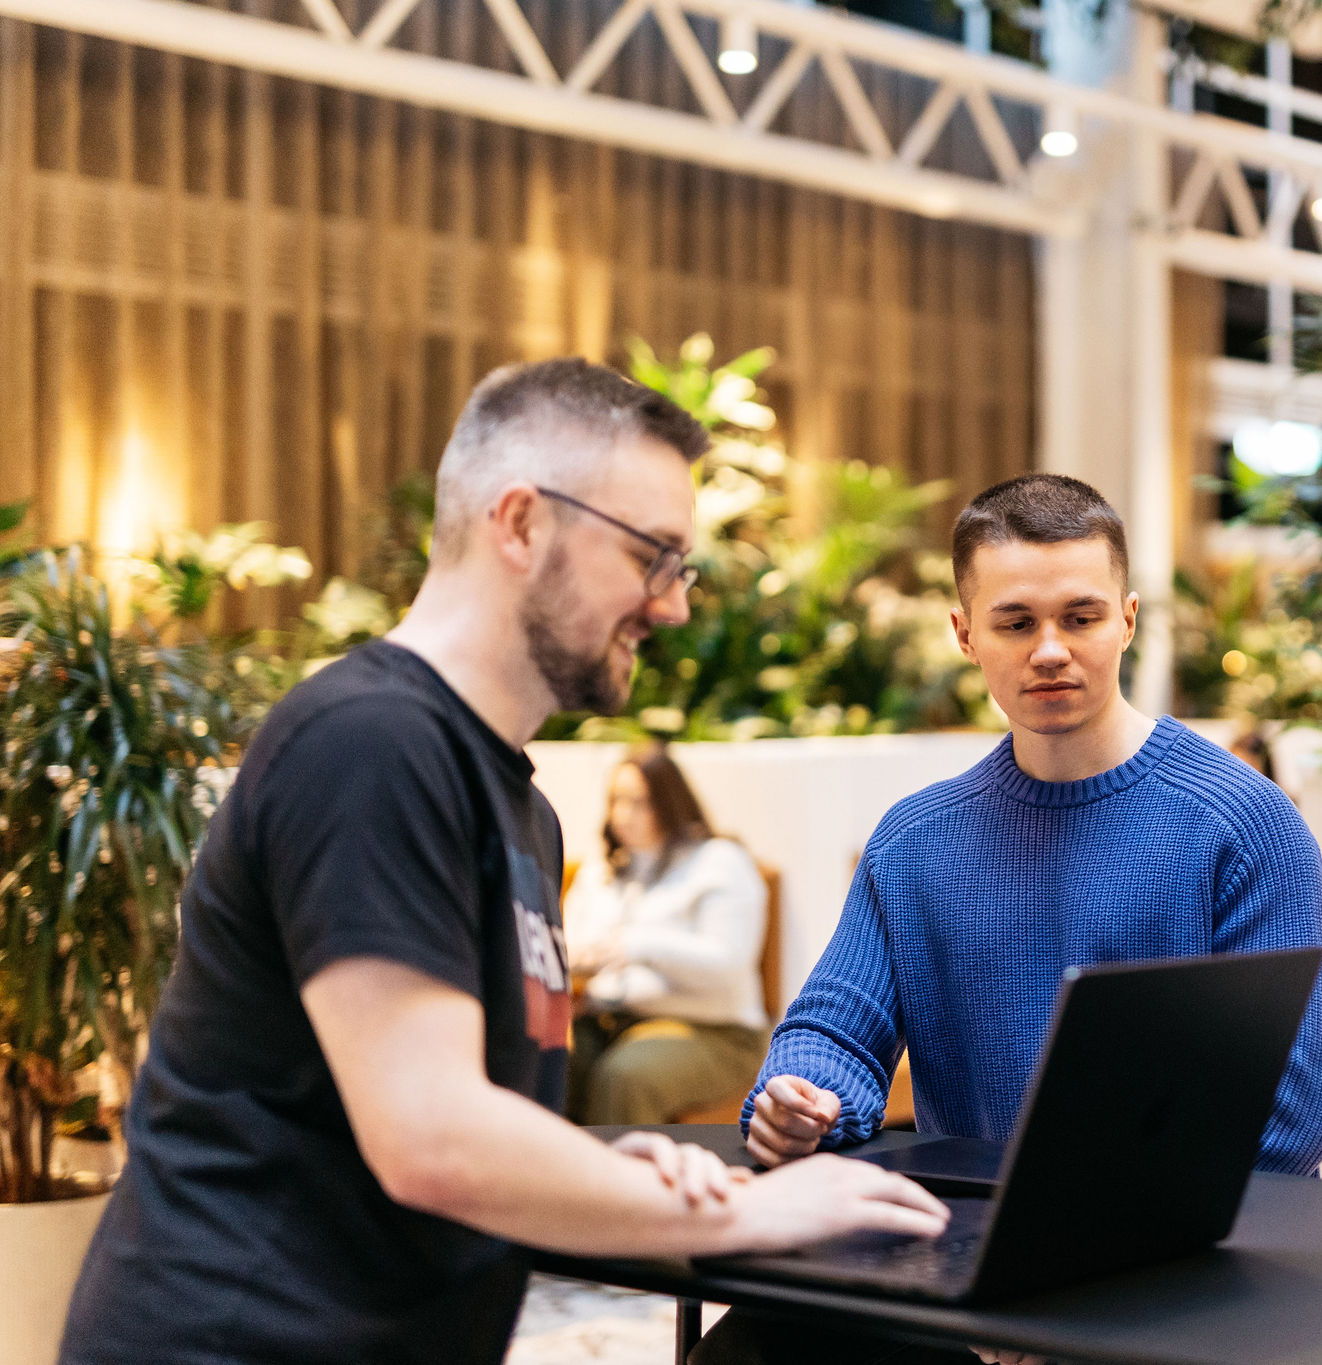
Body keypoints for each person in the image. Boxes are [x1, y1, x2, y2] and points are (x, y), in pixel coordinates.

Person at [61, 358, 945, 1365]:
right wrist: (748, 1212)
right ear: (521, 523)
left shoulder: (525, 811)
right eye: (652, 555)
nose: (674, 608)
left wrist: (602, 1171)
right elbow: (432, 1141)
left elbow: (473, 1112)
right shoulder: (369, 744)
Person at [696, 474, 1322, 1365]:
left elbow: (1290, 1119)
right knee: (747, 1351)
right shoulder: (917, 840)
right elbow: (832, 1029)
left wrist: (1072, 1276)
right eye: (1015, 622)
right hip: (971, 1264)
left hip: (1181, 1276)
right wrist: (800, 1095)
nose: (1050, 650)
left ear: (1126, 618)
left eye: (1079, 617)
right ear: (965, 633)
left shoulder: (1245, 825)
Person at [566, 744, 771, 1124]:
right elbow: (575, 947)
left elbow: (726, 965)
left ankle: (621, 1183)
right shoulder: (601, 871)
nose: (623, 815)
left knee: (626, 1077)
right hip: (616, 1020)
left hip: (718, 1032)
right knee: (555, 1059)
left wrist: (637, 945)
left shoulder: (718, 861)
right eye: (617, 801)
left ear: (670, 801)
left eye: (639, 802)